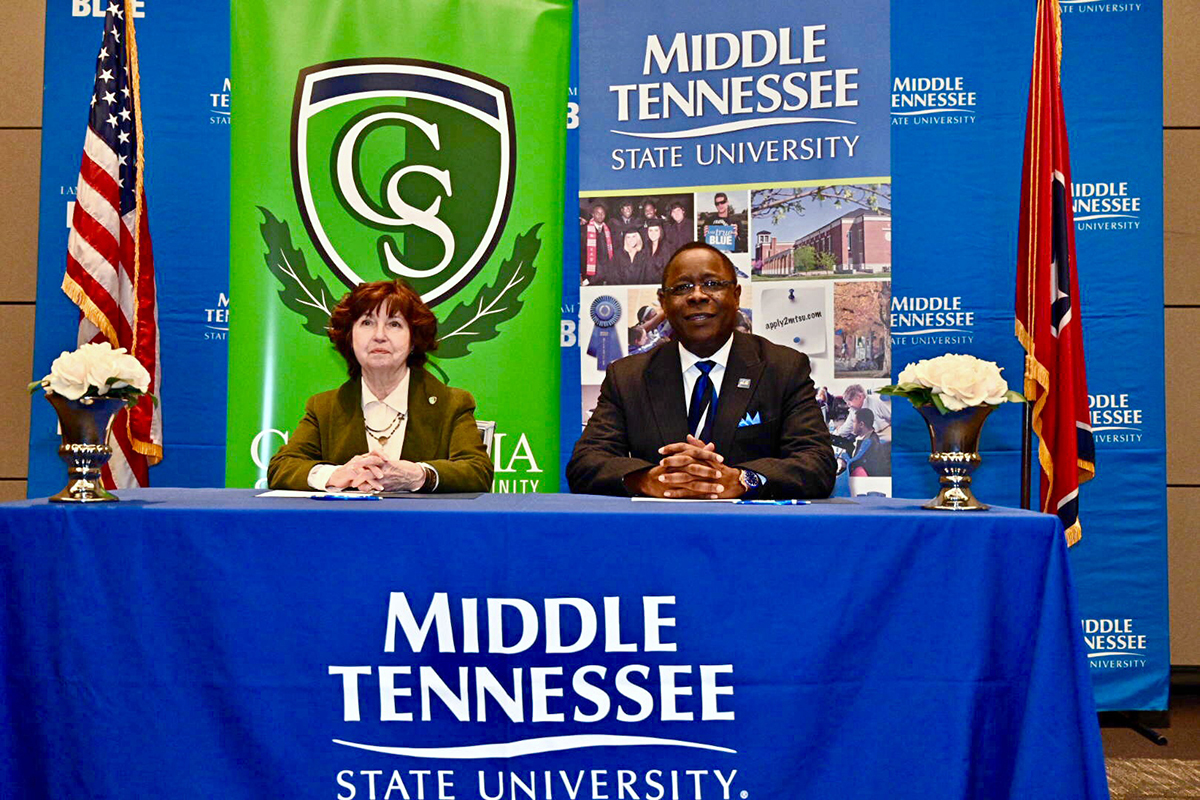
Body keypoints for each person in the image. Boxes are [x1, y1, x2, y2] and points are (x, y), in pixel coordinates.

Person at [567, 242, 836, 499]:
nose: (697, 295)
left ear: (736, 295)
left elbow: (817, 463)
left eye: (712, 284)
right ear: (664, 301)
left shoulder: (783, 368)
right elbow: (586, 463)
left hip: (752, 537)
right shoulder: (627, 376)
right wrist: (649, 480)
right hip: (656, 536)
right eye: (682, 287)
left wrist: (743, 480)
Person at [268, 279, 494, 493]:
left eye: (394, 324)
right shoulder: (324, 407)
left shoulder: (451, 404)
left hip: (425, 531)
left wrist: (420, 475)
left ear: (414, 339)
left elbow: (478, 471)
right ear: (349, 336)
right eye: (367, 322)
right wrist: (336, 474)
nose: (379, 336)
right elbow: (281, 468)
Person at [838, 408, 889, 477]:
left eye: (854, 422)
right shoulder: (859, 436)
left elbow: (855, 465)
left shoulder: (870, 444)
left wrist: (843, 459)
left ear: (861, 424)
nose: (852, 425)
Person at [580, 201, 614, 283]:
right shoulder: (584, 230)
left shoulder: (609, 230)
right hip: (591, 274)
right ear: (593, 214)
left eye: (602, 213)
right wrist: (580, 274)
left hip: (607, 272)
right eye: (597, 213)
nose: (600, 215)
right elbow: (581, 253)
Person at [642, 219, 670, 284]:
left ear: (660, 231)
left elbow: (668, 272)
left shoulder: (667, 248)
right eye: (650, 230)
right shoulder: (646, 247)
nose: (653, 233)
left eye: (656, 230)